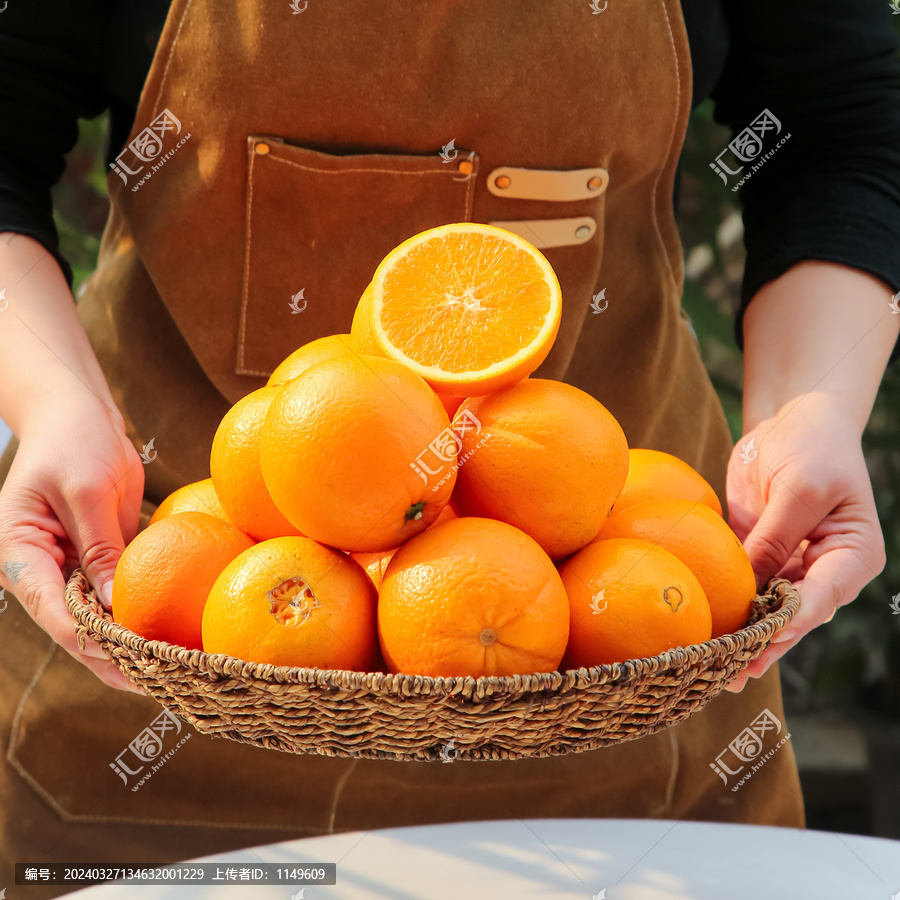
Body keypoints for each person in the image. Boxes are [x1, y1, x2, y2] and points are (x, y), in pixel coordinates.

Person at [0, 0, 898, 895]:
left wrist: (809, 411)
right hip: (158, 658)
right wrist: (52, 407)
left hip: (619, 662)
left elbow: (844, 123)